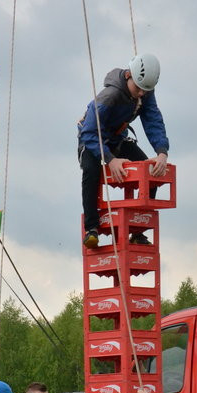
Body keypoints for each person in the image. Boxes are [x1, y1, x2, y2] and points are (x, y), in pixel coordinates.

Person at [77, 53, 169, 249]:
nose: (141, 94)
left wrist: (162, 151)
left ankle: (137, 231)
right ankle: (91, 229)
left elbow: (153, 119)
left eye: (146, 90)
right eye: (138, 88)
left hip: (117, 139)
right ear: (128, 75)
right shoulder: (109, 97)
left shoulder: (145, 92)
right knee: (91, 171)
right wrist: (110, 160)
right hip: (93, 140)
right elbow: (90, 132)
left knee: (150, 173)